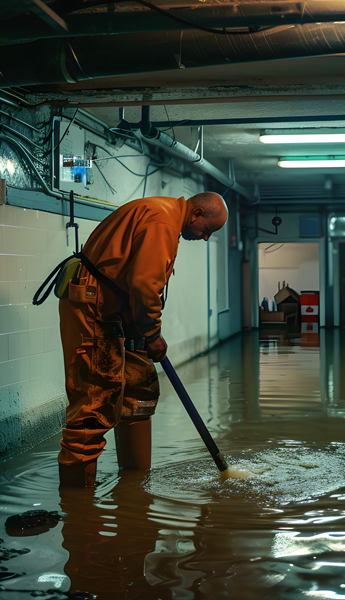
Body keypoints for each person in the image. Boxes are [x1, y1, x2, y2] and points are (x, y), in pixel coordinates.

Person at [57, 192, 228, 487]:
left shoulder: (165, 216)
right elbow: (144, 284)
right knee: (95, 399)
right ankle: (78, 504)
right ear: (197, 213)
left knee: (140, 389)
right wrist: (152, 334)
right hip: (95, 308)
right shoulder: (162, 220)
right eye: (207, 230)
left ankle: (135, 486)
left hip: (120, 310)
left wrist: (143, 330)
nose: (204, 238)